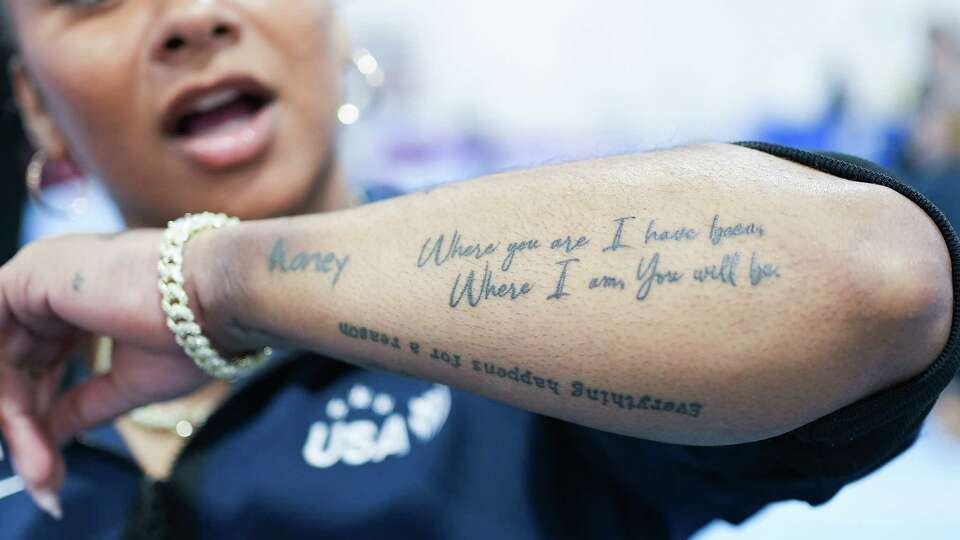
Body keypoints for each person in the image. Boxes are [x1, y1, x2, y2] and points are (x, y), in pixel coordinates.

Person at [0, 2, 956, 539]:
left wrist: (213, 281)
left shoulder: (507, 327)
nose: (193, 16)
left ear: (335, 29)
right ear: (35, 105)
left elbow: (874, 277)